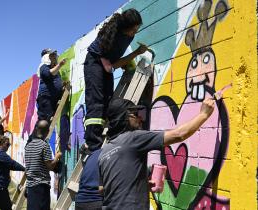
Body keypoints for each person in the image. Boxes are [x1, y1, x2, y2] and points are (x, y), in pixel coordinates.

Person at [98, 97, 215, 210]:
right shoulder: (133, 138)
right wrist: (204, 114)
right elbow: (179, 135)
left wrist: (138, 186)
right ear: (124, 117)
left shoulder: (104, 151)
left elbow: (102, 189)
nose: (140, 118)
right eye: (135, 114)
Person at [84, 8, 149, 152]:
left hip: (106, 64)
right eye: (133, 29)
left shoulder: (128, 36)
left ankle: (102, 137)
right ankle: (92, 143)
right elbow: (111, 66)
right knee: (97, 100)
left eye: (136, 30)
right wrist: (136, 53)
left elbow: (115, 58)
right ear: (124, 27)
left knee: (108, 99)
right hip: (94, 63)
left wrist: (128, 63)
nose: (134, 33)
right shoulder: (110, 36)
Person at [25, 120, 62, 210]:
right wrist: (57, 157)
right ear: (47, 131)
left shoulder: (28, 146)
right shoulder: (44, 145)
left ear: (37, 129)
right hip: (41, 186)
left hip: (30, 185)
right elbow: (50, 166)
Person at [0, 135, 25, 210]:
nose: (8, 146)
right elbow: (13, 164)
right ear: (0, 144)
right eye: (7, 144)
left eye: (9, 145)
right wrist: (25, 169)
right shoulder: (0, 153)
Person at [36, 49, 66, 123]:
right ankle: (37, 135)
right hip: (46, 98)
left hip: (52, 98)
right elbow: (47, 74)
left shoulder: (55, 69)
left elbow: (55, 82)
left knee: (48, 122)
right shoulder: (43, 66)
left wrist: (62, 85)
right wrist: (60, 65)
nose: (54, 57)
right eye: (52, 56)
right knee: (44, 122)